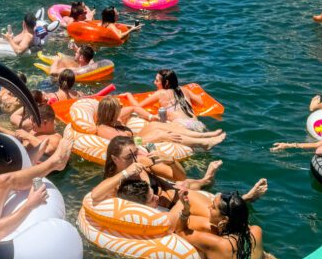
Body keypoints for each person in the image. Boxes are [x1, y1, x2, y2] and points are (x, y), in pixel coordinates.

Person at [118, 180, 268, 259]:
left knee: (191, 217)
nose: (209, 207)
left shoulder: (218, 243)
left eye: (213, 207)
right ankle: (245, 199)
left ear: (223, 221)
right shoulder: (256, 231)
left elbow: (179, 230)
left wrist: (186, 210)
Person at [91, 135, 223, 204]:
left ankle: (206, 180)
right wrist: (126, 172)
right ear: (115, 159)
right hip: (170, 204)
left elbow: (179, 176)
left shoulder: (141, 161)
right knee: (185, 185)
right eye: (128, 157)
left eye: (136, 152)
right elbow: (95, 195)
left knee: (183, 183)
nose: (135, 158)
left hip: (173, 191)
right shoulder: (115, 182)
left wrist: (171, 161)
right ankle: (206, 180)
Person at [95, 96, 226, 150]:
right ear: (110, 112)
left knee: (156, 125)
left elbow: (132, 108)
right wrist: (155, 138)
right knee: (159, 133)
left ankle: (204, 136)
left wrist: (150, 116)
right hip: (134, 142)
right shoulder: (104, 129)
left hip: (136, 137)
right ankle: (204, 143)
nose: (121, 110)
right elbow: (126, 145)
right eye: (118, 109)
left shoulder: (115, 118)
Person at [125, 69, 210, 133]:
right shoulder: (184, 89)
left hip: (180, 126)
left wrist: (129, 95)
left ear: (166, 83)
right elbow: (200, 103)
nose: (154, 82)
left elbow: (137, 107)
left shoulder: (160, 93)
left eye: (157, 81)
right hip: (197, 124)